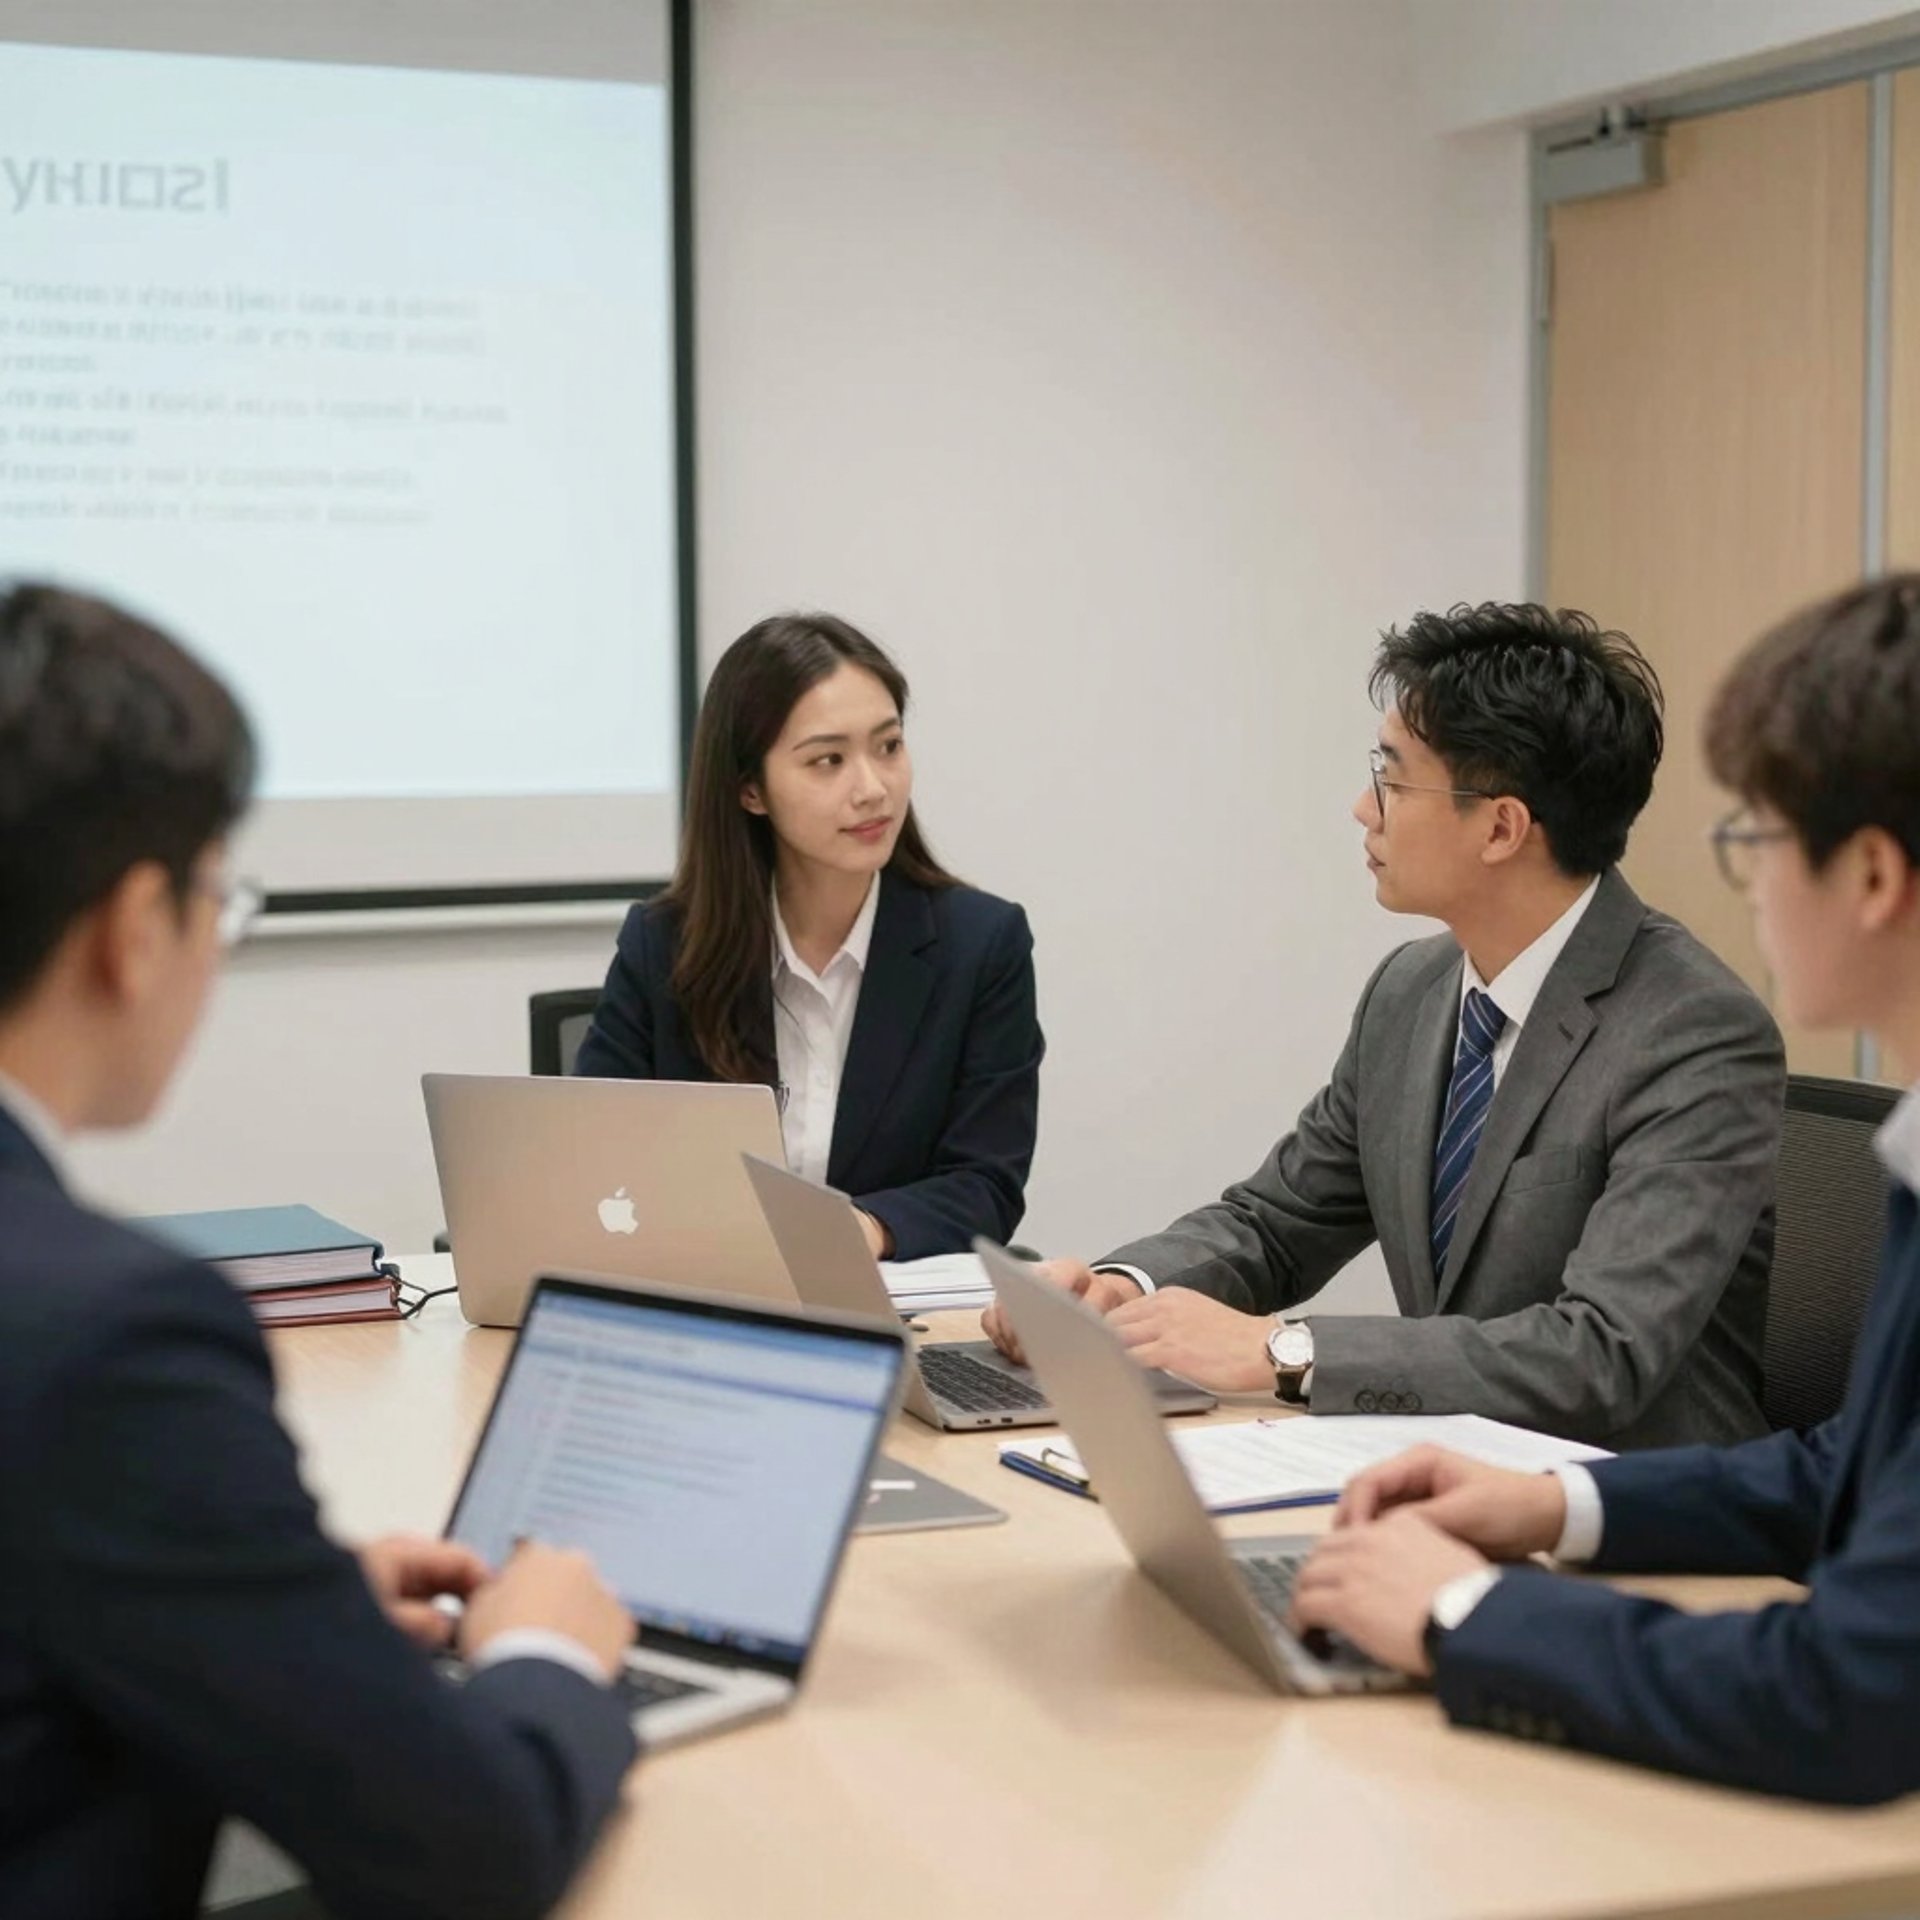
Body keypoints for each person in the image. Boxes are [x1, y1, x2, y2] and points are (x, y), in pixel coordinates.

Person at [0, 583, 638, 1919]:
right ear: (131, 929)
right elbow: (471, 1855)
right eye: (221, 906)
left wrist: (265, 1597)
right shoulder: (111, 1334)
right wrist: (542, 1659)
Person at [1292, 575, 1920, 1805]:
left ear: (1874, 879)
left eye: (1759, 836)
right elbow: (1842, 1470)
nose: (1743, 883)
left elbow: (1847, 1698)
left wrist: (1465, 1612)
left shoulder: (1692, 1024)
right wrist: (1548, 1504)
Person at [983, 602, 1783, 1448]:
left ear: (1502, 827)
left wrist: (1287, 1349)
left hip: (1637, 1512)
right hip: (1450, 1469)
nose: (1363, 809)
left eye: (1393, 780)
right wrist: (1124, 1288)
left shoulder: (1694, 1031)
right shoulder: (1413, 988)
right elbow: (1277, 1222)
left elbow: (1601, 1355)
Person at [576, 612, 1043, 1262]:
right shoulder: (666, 944)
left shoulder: (981, 945)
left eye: (888, 746)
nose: (873, 788)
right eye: (829, 760)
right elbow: (590, 1157)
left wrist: (859, 1231)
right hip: (703, 1300)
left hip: (891, 1319)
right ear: (749, 790)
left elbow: (986, 1183)